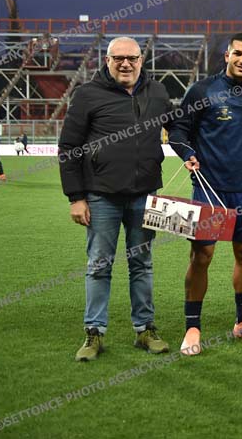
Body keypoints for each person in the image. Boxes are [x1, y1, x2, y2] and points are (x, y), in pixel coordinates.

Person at [59, 36, 172, 361]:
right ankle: (94, 332)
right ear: (107, 60)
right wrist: (76, 197)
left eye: (132, 58)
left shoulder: (158, 92)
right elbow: (68, 147)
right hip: (101, 196)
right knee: (99, 265)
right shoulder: (87, 94)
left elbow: (177, 127)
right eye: (118, 58)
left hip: (145, 195)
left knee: (142, 264)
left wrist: (192, 150)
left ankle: (145, 329)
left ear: (141, 60)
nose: (125, 63)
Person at [168, 32, 242, 355]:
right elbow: (178, 130)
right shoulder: (202, 91)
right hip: (209, 188)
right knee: (202, 255)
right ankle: (192, 328)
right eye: (237, 53)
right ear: (227, 55)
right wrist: (188, 154)